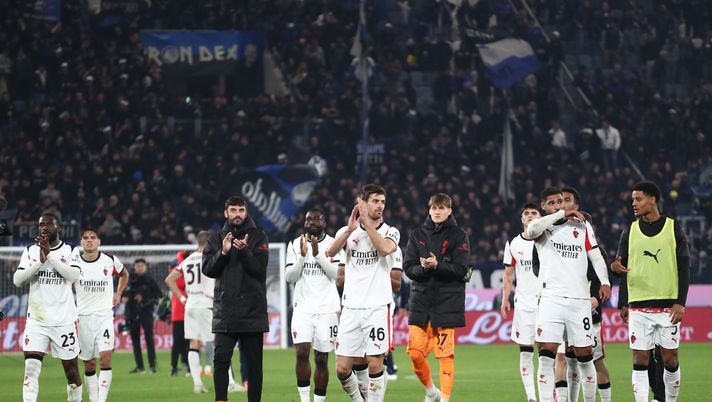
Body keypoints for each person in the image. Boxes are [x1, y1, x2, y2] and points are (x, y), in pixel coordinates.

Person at [527, 187, 611, 402]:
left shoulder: (582, 226)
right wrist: (560, 214)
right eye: (553, 203)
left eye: (562, 201)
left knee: (585, 357)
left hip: (579, 301)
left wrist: (605, 282)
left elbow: (596, 256)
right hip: (551, 299)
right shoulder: (543, 227)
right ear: (544, 207)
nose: (559, 205)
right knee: (547, 354)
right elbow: (531, 230)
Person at [612, 181, 689, 402]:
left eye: (638, 199)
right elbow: (621, 266)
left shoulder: (674, 228)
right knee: (640, 358)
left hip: (668, 306)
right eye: (633, 199)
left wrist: (680, 302)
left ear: (652, 199)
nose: (633, 203)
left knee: (670, 359)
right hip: (638, 305)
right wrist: (622, 300)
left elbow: (684, 268)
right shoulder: (630, 229)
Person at [326, 184, 399, 402]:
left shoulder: (390, 231)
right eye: (375, 201)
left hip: (377, 306)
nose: (380, 206)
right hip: (350, 308)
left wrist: (367, 226)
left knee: (375, 362)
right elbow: (330, 252)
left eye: (382, 201)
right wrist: (349, 230)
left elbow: (385, 249)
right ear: (363, 203)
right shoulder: (346, 231)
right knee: (341, 368)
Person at [404, 193, 470, 402]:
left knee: (444, 356)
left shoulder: (460, 235)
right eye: (433, 208)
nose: (437, 212)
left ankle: (445, 400)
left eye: (441, 208)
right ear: (429, 209)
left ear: (450, 210)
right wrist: (424, 268)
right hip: (421, 302)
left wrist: (438, 266)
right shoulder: (417, 234)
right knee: (415, 354)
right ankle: (432, 392)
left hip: (446, 302)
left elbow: (461, 270)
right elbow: (408, 268)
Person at [203, 196, 270, 402]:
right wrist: (223, 252)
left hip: (252, 311)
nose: (237, 214)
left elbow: (259, 270)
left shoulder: (259, 236)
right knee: (220, 361)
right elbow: (208, 270)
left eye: (241, 210)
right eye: (233, 210)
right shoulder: (216, 239)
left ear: (246, 212)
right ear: (226, 213)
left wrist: (245, 252)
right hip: (226, 311)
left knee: (253, 367)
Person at [13, 213, 83, 402]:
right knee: (31, 369)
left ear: (58, 228)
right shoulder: (30, 251)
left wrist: (50, 256)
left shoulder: (71, 251)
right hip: (37, 321)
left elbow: (74, 276)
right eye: (41, 225)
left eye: (49, 224)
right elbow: (17, 280)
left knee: (72, 373)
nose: (44, 227)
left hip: (64, 321)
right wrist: (39, 263)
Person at [166, 231, 244, 394]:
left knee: (193, 343)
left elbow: (169, 279)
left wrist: (181, 298)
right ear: (209, 242)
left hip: (190, 305)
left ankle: (197, 384)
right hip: (207, 304)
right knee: (221, 343)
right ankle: (229, 383)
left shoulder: (187, 260)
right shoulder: (211, 258)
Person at [560, 186, 613, 402]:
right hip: (567, 309)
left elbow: (599, 280)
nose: (563, 204)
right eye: (560, 200)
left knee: (595, 360)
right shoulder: (559, 244)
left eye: (567, 200)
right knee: (570, 359)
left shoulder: (595, 251)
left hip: (589, 311)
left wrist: (595, 298)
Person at [285, 208, 341, 402]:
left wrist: (318, 256)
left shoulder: (334, 243)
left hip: (327, 309)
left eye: (317, 219)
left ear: (324, 223)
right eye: (309, 219)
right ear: (305, 222)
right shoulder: (294, 244)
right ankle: (304, 400)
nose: (313, 222)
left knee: (321, 358)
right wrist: (302, 257)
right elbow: (289, 277)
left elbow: (337, 276)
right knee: (301, 352)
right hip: (303, 308)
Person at [73, 227, 129, 402]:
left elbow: (124, 274)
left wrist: (118, 293)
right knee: (89, 363)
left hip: (104, 316)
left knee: (105, 359)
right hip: (82, 318)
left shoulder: (109, 260)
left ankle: (101, 400)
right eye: (86, 238)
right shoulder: (74, 263)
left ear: (99, 242)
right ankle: (94, 398)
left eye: (93, 237)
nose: (89, 240)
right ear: (81, 242)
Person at [501, 202, 541, 402]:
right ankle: (532, 397)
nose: (530, 216)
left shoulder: (549, 240)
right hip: (524, 305)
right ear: (522, 219)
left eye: (534, 213)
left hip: (548, 304)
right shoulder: (513, 243)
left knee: (549, 353)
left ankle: (549, 394)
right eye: (526, 213)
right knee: (526, 352)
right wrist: (504, 299)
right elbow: (508, 275)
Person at [122, 258, 162, 374]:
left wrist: (144, 297)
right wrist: (125, 297)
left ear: (145, 267)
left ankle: (152, 365)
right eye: (137, 265)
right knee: (135, 340)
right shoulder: (130, 280)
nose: (139, 267)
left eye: (141, 266)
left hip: (146, 312)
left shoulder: (150, 280)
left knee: (149, 339)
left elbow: (159, 294)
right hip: (133, 313)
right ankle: (140, 367)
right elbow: (124, 293)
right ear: (134, 267)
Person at [168, 251, 189, 377]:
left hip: (185, 309)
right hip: (180, 311)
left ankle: (184, 366)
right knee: (178, 341)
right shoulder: (180, 271)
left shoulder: (181, 269)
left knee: (186, 341)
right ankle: (175, 367)